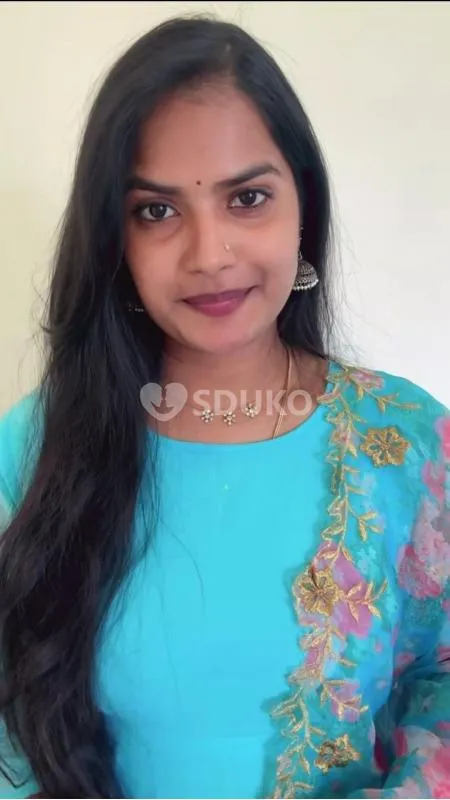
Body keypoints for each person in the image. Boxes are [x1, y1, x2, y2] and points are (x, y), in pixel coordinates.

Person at [0, 14, 449, 800]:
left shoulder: (407, 442)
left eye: (248, 198)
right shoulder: (38, 447)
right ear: (114, 238)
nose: (209, 254)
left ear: (304, 205)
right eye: (156, 210)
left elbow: (440, 675)